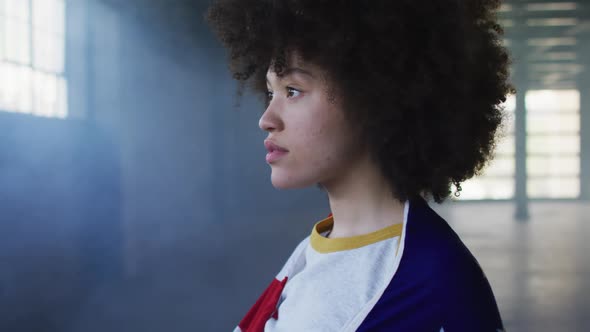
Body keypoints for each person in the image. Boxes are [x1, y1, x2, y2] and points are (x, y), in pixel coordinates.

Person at [206, 0, 512, 331]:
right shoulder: (314, 249)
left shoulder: (433, 283)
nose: (266, 119)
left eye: (292, 91)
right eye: (270, 93)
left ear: (374, 97)